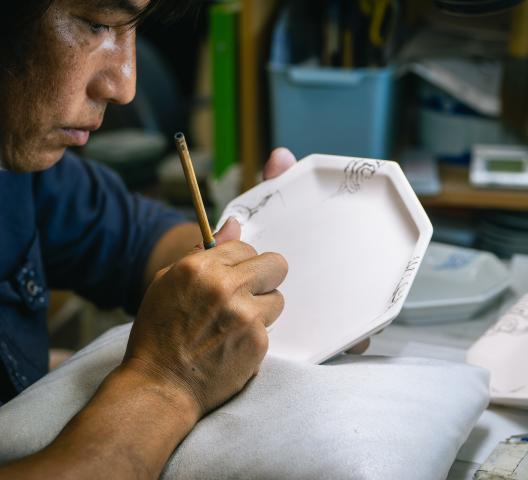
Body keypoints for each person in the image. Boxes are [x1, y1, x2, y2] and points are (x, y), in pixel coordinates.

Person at [0, 0, 371, 477]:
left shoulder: (18, 169)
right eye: (97, 23)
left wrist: (262, 262)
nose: (125, 86)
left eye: (132, 28)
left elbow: (137, 240)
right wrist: (167, 382)